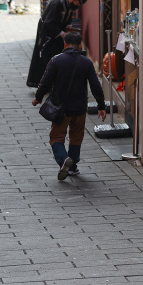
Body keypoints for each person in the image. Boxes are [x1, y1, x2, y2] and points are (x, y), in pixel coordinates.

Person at [32, 32, 106, 180]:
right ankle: (72, 167)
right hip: (79, 108)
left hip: (61, 108)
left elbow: (44, 82)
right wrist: (101, 105)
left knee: (56, 136)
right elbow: (95, 85)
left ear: (64, 44)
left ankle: (63, 159)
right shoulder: (86, 62)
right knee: (76, 137)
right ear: (79, 45)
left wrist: (38, 98)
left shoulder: (56, 61)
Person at [26, 0, 89, 88]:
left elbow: (65, 20)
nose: (77, 7)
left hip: (58, 35)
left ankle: (55, 84)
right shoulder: (57, 4)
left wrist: (69, 28)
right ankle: (47, 85)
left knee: (58, 57)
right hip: (48, 34)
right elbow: (49, 24)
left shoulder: (69, 6)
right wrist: (63, 34)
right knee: (48, 58)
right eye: (77, 4)